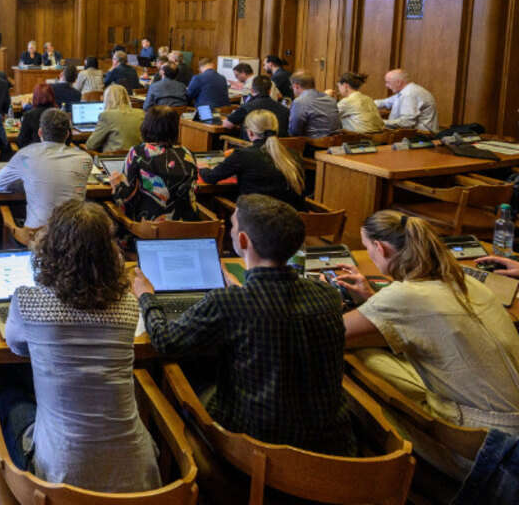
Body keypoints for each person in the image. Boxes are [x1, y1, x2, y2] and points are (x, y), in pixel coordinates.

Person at [132, 194, 355, 456]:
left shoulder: (229, 303)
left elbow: (164, 340)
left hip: (253, 445)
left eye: (234, 225)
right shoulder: (328, 295)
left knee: (184, 368)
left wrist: (146, 295)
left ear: (242, 240)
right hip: (331, 443)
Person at [0, 199, 161, 492]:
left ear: (51, 247)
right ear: (110, 250)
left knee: (9, 392)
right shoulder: (127, 304)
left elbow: (17, 347)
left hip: (60, 474)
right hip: (137, 473)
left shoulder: (28, 301)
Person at [338, 211, 519, 440]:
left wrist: (324, 296)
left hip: (484, 440)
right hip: (509, 421)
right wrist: (371, 299)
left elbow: (335, 332)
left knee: (356, 359)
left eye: (367, 248)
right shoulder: (465, 280)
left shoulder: (405, 296)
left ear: (380, 248)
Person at [0, 109, 92, 229]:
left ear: (40, 132)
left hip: (38, 237)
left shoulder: (26, 155)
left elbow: (0, 182)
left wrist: (28, 181)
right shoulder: (85, 160)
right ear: (67, 134)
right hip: (74, 236)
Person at [201, 110, 306, 209]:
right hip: (291, 221)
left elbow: (210, 177)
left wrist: (203, 168)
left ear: (250, 133)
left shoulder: (242, 155)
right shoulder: (294, 155)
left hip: (255, 222)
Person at [111, 106, 199, 222]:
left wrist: (116, 185)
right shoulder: (188, 154)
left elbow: (127, 198)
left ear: (146, 126)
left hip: (146, 228)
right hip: (188, 229)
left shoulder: (137, 153)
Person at [223, 74, 290, 137]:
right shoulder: (284, 109)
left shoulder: (247, 107)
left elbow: (227, 125)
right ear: (269, 91)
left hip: (251, 146)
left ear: (252, 90)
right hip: (277, 147)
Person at [376, 69, 439, 133]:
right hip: (413, 133)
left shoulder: (409, 94)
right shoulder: (406, 90)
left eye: (388, 82)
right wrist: (367, 102)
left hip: (421, 135)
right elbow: (386, 102)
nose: (386, 85)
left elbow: (406, 122)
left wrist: (379, 121)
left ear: (398, 82)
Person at [86, 85, 143, 155]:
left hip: (112, 160)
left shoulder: (106, 115)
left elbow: (90, 145)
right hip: (136, 159)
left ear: (107, 99)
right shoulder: (141, 113)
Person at [288, 70, 340, 138]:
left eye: (292, 87)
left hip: (312, 145)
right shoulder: (330, 99)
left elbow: (294, 131)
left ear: (296, 86)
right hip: (335, 144)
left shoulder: (299, 102)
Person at [17, 83, 56, 149]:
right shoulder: (59, 114)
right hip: (57, 155)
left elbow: (22, 141)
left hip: (35, 154)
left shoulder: (29, 115)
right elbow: (68, 140)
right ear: (52, 95)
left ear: (35, 96)